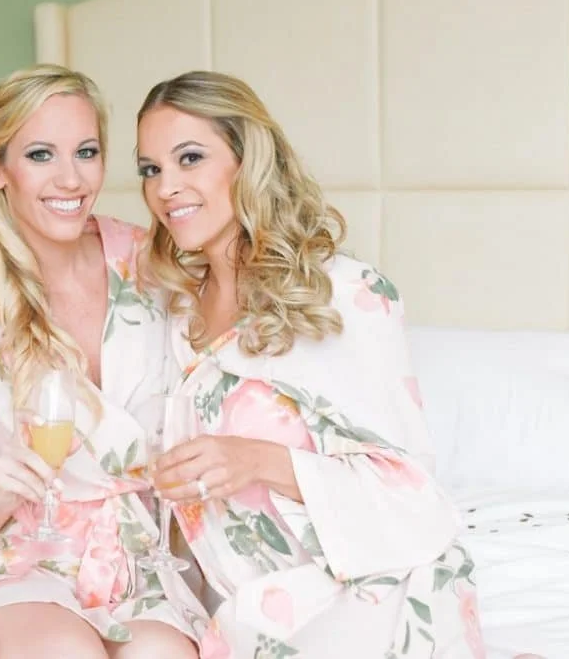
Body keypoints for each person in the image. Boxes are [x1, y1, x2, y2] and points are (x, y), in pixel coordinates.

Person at [135, 70, 485, 658]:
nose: (166, 187)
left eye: (190, 158)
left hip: (364, 596)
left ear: (247, 161)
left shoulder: (342, 294)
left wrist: (257, 460)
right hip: (237, 606)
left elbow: (412, 496)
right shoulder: (173, 310)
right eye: (150, 169)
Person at [0, 65, 208, 659]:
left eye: (86, 152)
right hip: (19, 561)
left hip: (134, 563)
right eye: (41, 154)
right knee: (66, 650)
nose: (71, 179)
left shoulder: (153, 266)